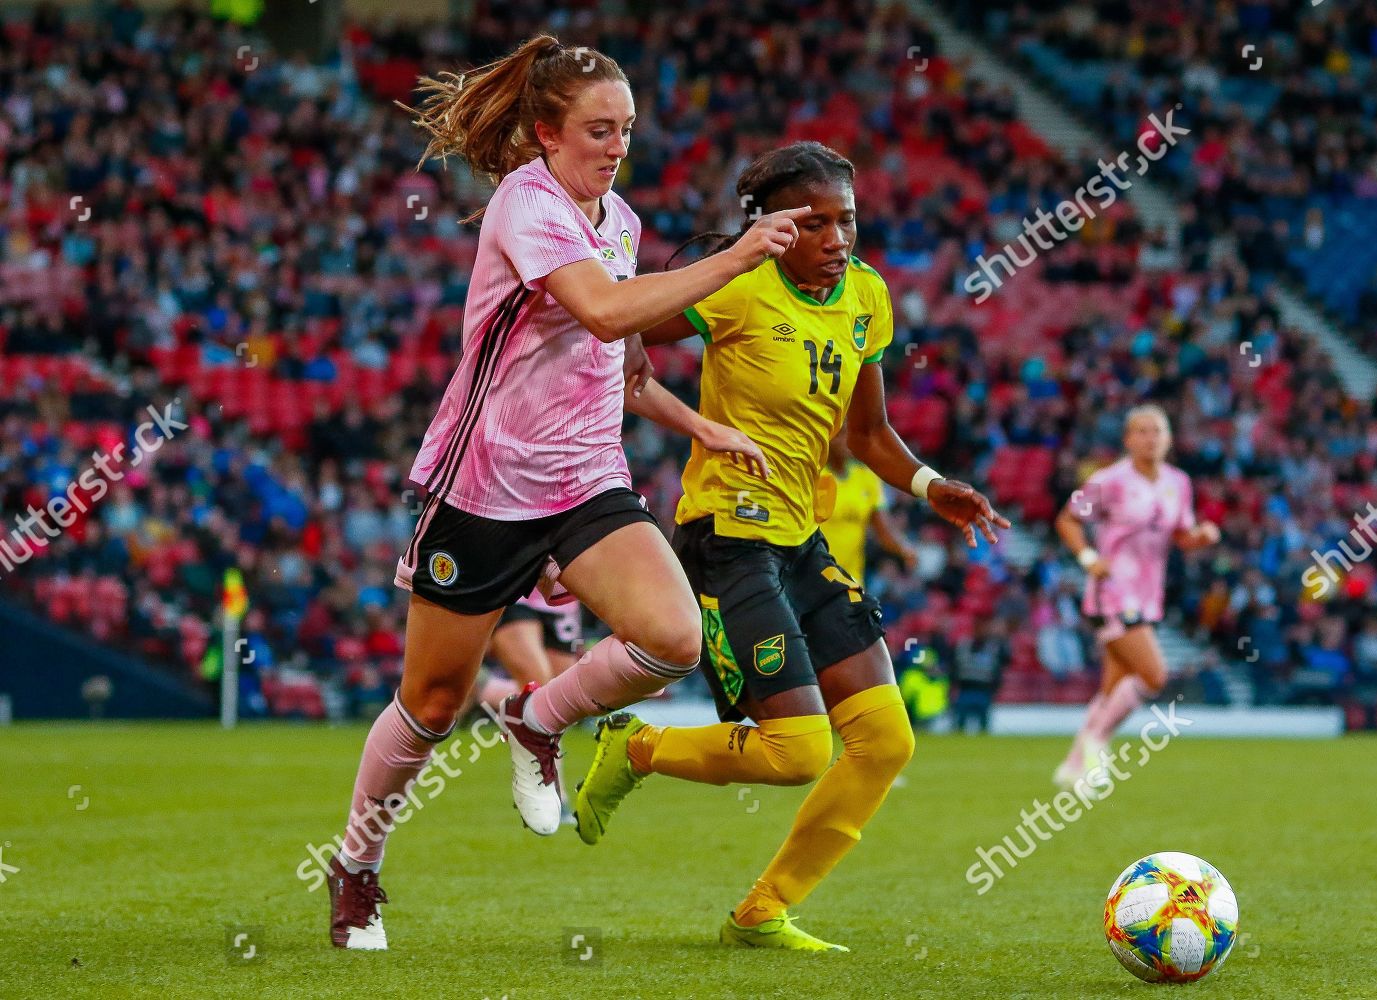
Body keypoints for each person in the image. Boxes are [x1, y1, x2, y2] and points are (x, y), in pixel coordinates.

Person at [325, 34, 804, 951]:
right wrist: (740, 257)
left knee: (672, 638)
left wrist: (700, 426)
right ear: (546, 133)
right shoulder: (527, 203)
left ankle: (533, 715)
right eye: (598, 128)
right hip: (487, 487)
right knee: (428, 704)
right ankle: (356, 868)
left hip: (587, 480)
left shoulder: (618, 222)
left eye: (626, 129)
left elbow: (624, 363)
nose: (616, 145)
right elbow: (606, 308)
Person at [567, 141, 1008, 952]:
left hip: (800, 540)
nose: (838, 237)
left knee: (886, 740)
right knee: (801, 751)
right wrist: (669, 399)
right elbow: (616, 334)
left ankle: (762, 913)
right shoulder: (734, 286)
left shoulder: (868, 297)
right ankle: (637, 745)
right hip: (726, 540)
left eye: (848, 219)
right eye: (816, 222)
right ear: (772, 225)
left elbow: (869, 433)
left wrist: (928, 484)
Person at [1052, 404, 1220, 796]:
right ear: (1128, 440)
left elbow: (1181, 535)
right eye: (1141, 431)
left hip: (1148, 595)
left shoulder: (1178, 482)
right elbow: (1067, 519)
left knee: (1114, 686)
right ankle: (1097, 744)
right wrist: (1088, 558)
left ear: (1169, 438)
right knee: (1154, 675)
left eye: (1157, 431)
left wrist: (1202, 537)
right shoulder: (1109, 480)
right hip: (1112, 592)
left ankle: (1072, 767)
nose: (1150, 438)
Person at [820, 424, 917, 584]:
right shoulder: (812, 476)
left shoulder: (867, 479)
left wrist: (905, 548)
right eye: (841, 435)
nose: (848, 441)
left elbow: (884, 530)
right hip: (812, 579)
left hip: (850, 581)